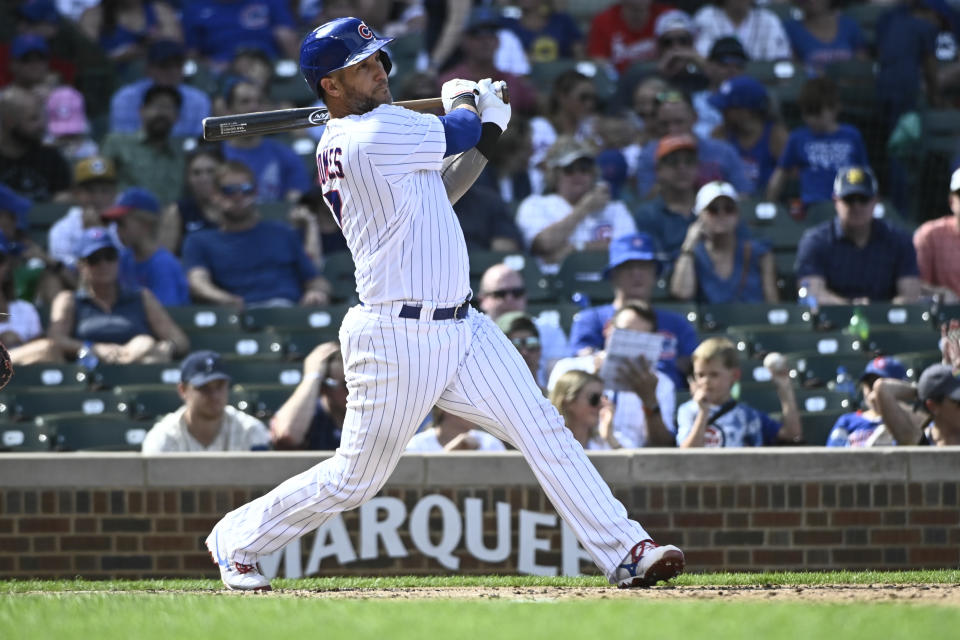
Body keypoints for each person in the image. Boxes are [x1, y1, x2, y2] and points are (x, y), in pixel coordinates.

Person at [204, 16, 683, 592]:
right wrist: (466, 101)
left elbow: (446, 186)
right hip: (394, 337)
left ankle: (626, 550)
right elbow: (458, 133)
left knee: (543, 430)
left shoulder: (376, 134)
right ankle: (239, 540)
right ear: (329, 86)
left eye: (379, 59)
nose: (379, 70)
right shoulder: (369, 135)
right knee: (354, 481)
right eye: (362, 66)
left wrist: (490, 125)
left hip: (463, 326)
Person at [182, 160, 331, 309]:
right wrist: (224, 299)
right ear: (214, 195)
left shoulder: (282, 233)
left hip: (287, 312)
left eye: (246, 189)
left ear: (255, 192)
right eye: (229, 190)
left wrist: (316, 292)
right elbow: (197, 283)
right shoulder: (199, 241)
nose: (239, 196)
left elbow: (315, 280)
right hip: (237, 318)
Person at [569, 233, 699, 389]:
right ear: (613, 274)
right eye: (628, 266)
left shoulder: (677, 323)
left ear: (654, 273)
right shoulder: (591, 319)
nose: (636, 273)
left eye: (643, 266)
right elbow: (580, 361)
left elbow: (694, 366)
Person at [48, 227, 189, 365]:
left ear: (118, 260)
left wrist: (167, 348)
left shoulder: (141, 296)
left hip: (138, 367)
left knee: (146, 346)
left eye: (109, 256)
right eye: (94, 259)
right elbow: (56, 339)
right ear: (81, 266)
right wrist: (93, 348)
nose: (103, 264)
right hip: (88, 372)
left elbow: (179, 340)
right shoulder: (69, 300)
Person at [549, 301, 676, 448]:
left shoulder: (662, 383)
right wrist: (591, 379)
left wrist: (649, 400)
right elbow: (552, 427)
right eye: (625, 333)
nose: (630, 342)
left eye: (639, 337)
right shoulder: (567, 368)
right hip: (577, 459)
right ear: (608, 329)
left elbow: (662, 448)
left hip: (637, 466)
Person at [794, 166, 922, 305]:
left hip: (886, 323)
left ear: (875, 201)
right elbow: (813, 293)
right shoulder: (816, 241)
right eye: (849, 199)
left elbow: (910, 295)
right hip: (831, 323)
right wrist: (854, 309)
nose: (856, 206)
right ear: (836, 201)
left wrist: (875, 312)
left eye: (863, 199)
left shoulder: (899, 240)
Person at [516, 137, 637, 273]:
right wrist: (583, 209)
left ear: (593, 174)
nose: (577, 175)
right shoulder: (536, 204)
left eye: (584, 169)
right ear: (555, 174)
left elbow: (629, 247)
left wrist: (576, 248)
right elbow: (544, 244)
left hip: (605, 284)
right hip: (555, 286)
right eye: (569, 169)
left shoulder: (615, 209)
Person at [676, 337, 802, 447]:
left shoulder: (747, 415)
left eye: (714, 375)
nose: (705, 381)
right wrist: (703, 412)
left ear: (735, 375)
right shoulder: (688, 411)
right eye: (700, 375)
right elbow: (687, 454)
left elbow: (791, 434)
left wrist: (785, 388)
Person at [766, 77, 869, 208]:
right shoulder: (798, 137)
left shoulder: (851, 135)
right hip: (813, 207)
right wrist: (769, 204)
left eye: (816, 112)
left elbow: (864, 173)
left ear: (834, 108)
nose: (811, 119)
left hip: (848, 204)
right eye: (807, 112)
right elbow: (781, 173)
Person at [142, 350, 272, 453]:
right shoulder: (163, 437)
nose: (214, 395)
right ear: (183, 390)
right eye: (204, 387)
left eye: (220, 386)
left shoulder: (250, 430)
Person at [670, 181, 778, 303]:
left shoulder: (759, 253)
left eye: (729, 209)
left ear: (737, 215)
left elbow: (772, 304)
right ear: (699, 216)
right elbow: (682, 294)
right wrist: (688, 247)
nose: (722, 214)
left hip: (753, 321)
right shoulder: (694, 255)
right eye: (713, 210)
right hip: (709, 322)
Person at [633, 90, 751, 198]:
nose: (672, 130)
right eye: (664, 124)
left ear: (695, 118)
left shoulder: (723, 151)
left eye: (679, 122)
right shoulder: (649, 154)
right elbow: (646, 200)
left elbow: (744, 193)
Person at [219, 78, 311, 203]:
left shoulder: (284, 154)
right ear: (228, 110)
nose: (254, 107)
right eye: (245, 102)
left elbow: (296, 199)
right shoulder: (217, 155)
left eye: (259, 101)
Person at [477, 263, 569, 386]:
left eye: (517, 293)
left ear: (525, 296)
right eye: (500, 294)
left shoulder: (548, 330)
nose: (509, 299)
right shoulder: (472, 334)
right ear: (482, 300)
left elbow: (560, 379)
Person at [437, 7, 538, 116]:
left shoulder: (512, 82)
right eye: (477, 35)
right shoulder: (448, 83)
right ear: (465, 41)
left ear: (498, 41)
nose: (485, 41)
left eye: (490, 34)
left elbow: (537, 108)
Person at [101, 186, 190, 306]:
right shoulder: (124, 258)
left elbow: (165, 316)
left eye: (121, 223)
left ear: (145, 223)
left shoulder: (163, 264)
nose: (117, 230)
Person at [100, 83, 186, 205]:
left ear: (177, 117)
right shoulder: (117, 143)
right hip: (125, 217)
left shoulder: (181, 155)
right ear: (142, 110)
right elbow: (97, 183)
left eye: (168, 107)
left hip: (169, 220)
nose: (162, 113)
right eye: (157, 106)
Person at [108, 40, 212, 139]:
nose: (172, 71)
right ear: (148, 68)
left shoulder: (199, 100)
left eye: (177, 66)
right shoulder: (125, 98)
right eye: (164, 65)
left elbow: (198, 142)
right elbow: (121, 141)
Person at [709, 75, 788, 195]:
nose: (722, 113)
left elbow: (790, 178)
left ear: (746, 111)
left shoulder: (776, 136)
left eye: (727, 109)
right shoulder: (720, 134)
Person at [826, 357, 927, 447]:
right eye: (869, 385)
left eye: (881, 387)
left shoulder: (911, 420)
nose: (873, 393)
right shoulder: (847, 421)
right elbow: (831, 457)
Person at [632, 133, 698, 260]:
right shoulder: (647, 215)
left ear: (697, 167)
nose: (682, 168)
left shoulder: (714, 208)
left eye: (689, 161)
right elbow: (658, 265)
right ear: (658, 169)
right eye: (673, 162)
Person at [270, 341, 346, 450]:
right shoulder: (309, 413)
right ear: (324, 387)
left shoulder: (374, 412)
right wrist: (313, 376)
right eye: (346, 385)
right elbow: (286, 434)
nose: (355, 392)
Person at [0, 86, 71, 202]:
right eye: (33, 119)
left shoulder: (52, 158)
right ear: (9, 121)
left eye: (43, 118)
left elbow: (63, 198)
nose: (42, 125)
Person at [0, 229, 60, 365]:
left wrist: (21, 343)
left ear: (6, 266)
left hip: (19, 374)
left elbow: (39, 347)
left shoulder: (25, 309)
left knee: (48, 349)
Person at [48, 156, 119, 272]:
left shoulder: (125, 224)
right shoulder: (62, 229)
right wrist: (90, 236)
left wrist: (100, 234)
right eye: (90, 191)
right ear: (77, 193)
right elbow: (67, 273)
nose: (98, 198)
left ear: (115, 193)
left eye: (105, 190)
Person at [182, 0, 300, 66]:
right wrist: (211, 66)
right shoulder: (196, 8)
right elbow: (192, 56)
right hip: (221, 70)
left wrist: (296, 69)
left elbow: (287, 36)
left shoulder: (270, 2)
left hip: (269, 64)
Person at [158, 145, 223, 256]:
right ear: (188, 179)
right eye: (196, 173)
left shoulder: (235, 206)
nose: (204, 178)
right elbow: (165, 259)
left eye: (211, 171)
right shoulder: (177, 211)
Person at [587, 0, 677, 73]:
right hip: (620, 85)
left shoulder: (670, 16)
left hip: (663, 78)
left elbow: (681, 52)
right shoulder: (603, 20)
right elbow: (599, 60)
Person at [913, 167, 960, 302]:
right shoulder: (929, 235)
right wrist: (941, 294)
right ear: (952, 201)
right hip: (942, 320)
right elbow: (913, 286)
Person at [784, 0, 866, 76]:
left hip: (848, 86)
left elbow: (862, 64)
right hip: (811, 88)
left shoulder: (849, 26)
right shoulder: (790, 29)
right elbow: (791, 68)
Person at [693, 0, 792, 62]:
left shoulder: (769, 19)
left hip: (760, 83)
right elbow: (702, 54)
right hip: (718, 83)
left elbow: (779, 58)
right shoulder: (706, 16)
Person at [549, 370, 623, 449]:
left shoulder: (605, 441)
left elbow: (630, 460)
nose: (601, 405)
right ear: (568, 402)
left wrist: (609, 437)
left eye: (605, 398)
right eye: (594, 398)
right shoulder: (547, 442)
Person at [500, 0, 584, 63]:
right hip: (521, 76)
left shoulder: (562, 21)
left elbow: (579, 52)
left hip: (560, 73)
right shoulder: (507, 24)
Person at [406, 406, 507, 452]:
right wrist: (450, 452)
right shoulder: (416, 445)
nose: (477, 410)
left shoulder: (491, 443)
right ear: (444, 408)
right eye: (467, 404)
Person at [45, 86, 98, 164]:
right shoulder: (46, 147)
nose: (68, 141)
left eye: (73, 136)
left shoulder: (90, 149)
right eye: (62, 136)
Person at [496, 311, 546, 393]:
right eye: (515, 346)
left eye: (531, 343)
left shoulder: (558, 401)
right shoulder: (485, 404)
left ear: (540, 349)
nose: (524, 353)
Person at [917, 363, 960, 446]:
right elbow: (885, 389)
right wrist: (917, 391)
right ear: (932, 406)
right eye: (959, 401)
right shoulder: (921, 442)